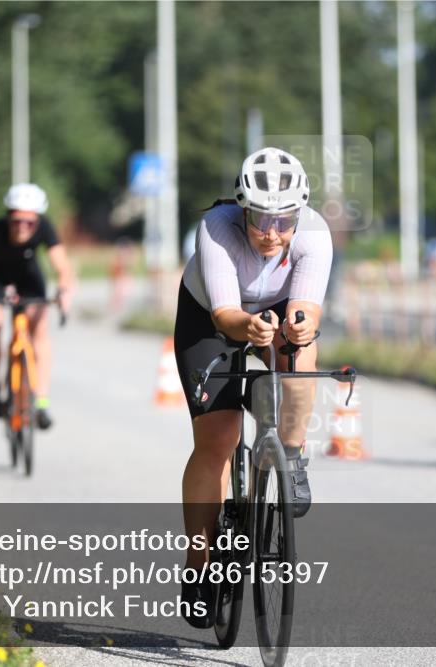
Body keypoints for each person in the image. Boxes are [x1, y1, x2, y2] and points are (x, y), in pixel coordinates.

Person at [174, 147, 332, 627]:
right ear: (242, 208)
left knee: (302, 352)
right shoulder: (217, 229)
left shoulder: (315, 235)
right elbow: (225, 315)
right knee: (219, 439)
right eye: (261, 218)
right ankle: (199, 569)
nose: (272, 233)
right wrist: (250, 328)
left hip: (276, 309)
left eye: (285, 221)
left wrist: (299, 327)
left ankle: (293, 453)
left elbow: (307, 307)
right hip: (211, 317)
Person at [0, 183, 74, 430]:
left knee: (39, 330)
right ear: (8, 217)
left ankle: (42, 402)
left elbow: (63, 268)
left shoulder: (45, 227)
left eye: (30, 223)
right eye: (17, 221)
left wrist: (64, 292)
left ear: (37, 221)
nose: (23, 227)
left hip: (30, 279)